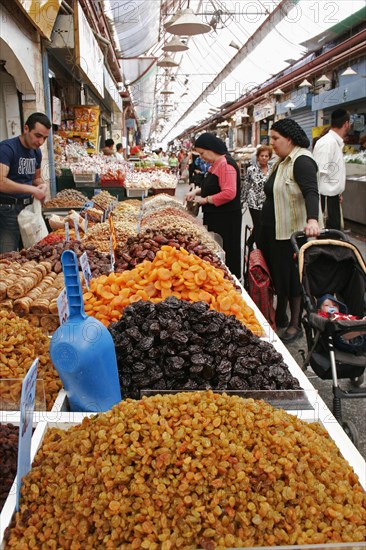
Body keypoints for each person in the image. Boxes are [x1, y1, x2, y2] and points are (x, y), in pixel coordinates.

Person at [259, 118, 322, 343]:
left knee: (294, 278)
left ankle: (296, 324)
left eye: (276, 138)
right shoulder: (281, 161)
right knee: (280, 276)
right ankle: (282, 315)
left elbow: (311, 192)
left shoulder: (302, 160)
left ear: (290, 138)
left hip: (291, 233)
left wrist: (313, 220)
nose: (272, 143)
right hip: (274, 231)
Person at [185, 133, 242, 278]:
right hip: (217, 216)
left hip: (225, 219)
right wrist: (197, 191)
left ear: (211, 148)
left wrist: (206, 200)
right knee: (218, 248)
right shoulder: (216, 164)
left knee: (227, 249)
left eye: (203, 153)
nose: (201, 157)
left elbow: (229, 193)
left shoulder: (226, 164)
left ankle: (230, 280)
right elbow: (212, 185)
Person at [0, 112, 51, 254]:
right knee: (7, 255)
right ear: (26, 129)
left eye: (45, 138)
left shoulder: (36, 152)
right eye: (38, 135)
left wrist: (43, 186)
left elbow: (36, 178)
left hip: (28, 209)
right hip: (7, 209)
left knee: (31, 252)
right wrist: (32, 190)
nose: (40, 141)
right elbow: (1, 182)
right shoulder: (7, 148)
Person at [313, 108, 350, 230]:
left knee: (334, 238)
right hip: (324, 201)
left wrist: (337, 191)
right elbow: (318, 175)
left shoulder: (334, 142)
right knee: (327, 240)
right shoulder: (327, 143)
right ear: (346, 124)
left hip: (331, 198)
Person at [243, 145, 272, 249]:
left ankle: (250, 241)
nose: (264, 158)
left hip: (266, 202)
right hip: (253, 201)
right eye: (262, 156)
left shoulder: (272, 169)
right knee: (258, 224)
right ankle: (259, 248)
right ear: (258, 157)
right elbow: (246, 185)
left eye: (266, 156)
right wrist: (242, 200)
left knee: (263, 224)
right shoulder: (251, 169)